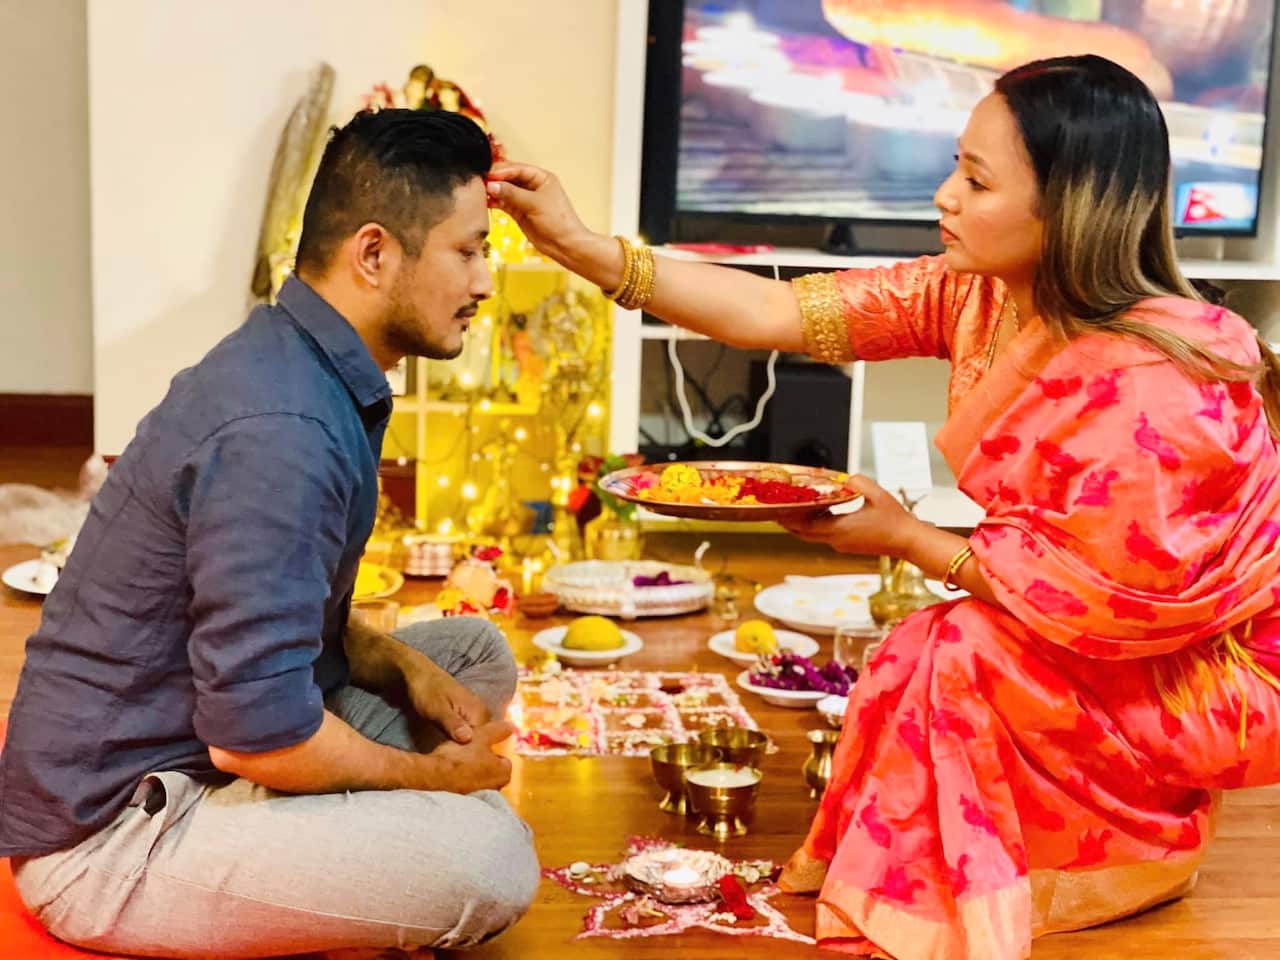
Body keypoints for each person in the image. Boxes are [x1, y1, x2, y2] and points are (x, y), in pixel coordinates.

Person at [486, 55, 1280, 959]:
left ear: (1067, 206)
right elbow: (774, 314)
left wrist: (902, 535)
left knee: (957, 651)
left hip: (1195, 676)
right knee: (921, 646)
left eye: (975, 180)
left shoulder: (1158, 380)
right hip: (1083, 635)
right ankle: (946, 872)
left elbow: (1104, 605)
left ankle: (1120, 860)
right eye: (956, 165)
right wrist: (582, 247)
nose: (944, 195)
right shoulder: (981, 296)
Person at [0, 108, 540, 957]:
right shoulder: (283, 427)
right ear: (374, 253)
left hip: (209, 739)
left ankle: (344, 837)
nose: (482, 282)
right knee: (494, 861)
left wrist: (404, 665)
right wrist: (426, 779)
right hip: (113, 839)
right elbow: (257, 732)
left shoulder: (301, 363)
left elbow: (279, 619)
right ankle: (370, 833)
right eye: (468, 251)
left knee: (472, 655)